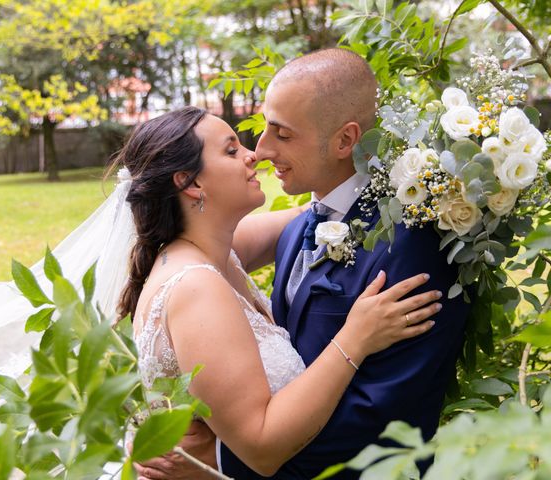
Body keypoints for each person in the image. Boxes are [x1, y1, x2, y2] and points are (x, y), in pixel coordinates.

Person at [136, 49, 469, 480]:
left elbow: (381, 423)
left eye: (283, 134)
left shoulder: (412, 247)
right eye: (239, 144)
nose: (260, 151)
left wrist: (215, 462)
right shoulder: (293, 232)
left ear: (345, 141)